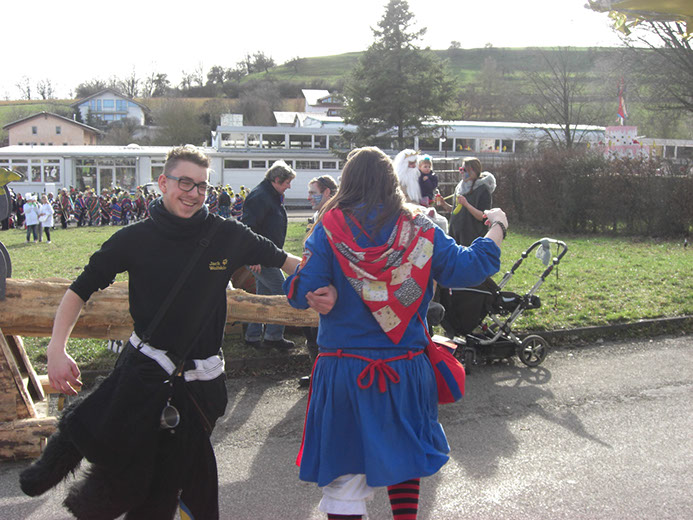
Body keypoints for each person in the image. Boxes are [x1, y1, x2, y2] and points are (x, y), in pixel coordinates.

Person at [18, 145, 336, 519]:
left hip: (202, 386)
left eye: (202, 186)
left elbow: (289, 262)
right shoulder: (135, 238)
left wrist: (329, 284)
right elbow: (79, 290)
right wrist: (56, 349)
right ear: (163, 182)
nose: (194, 193)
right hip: (145, 374)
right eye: (185, 182)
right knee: (144, 478)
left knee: (180, 481)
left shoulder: (227, 234)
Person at [284, 146, 507, 520]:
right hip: (404, 368)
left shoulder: (329, 227)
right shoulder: (421, 229)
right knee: (403, 460)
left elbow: (300, 291)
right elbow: (471, 266)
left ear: (347, 182)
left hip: (344, 371)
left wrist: (323, 289)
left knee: (343, 478)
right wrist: (497, 224)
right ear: (392, 182)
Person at [241, 160, 296, 350]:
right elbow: (248, 228)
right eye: (287, 182)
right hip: (262, 257)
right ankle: (273, 336)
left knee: (263, 297)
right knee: (282, 293)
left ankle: (253, 336)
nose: (289, 186)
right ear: (277, 179)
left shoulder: (269, 195)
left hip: (267, 255)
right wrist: (253, 257)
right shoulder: (261, 196)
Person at [300, 174, 339, 387]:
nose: (308, 197)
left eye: (313, 193)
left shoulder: (332, 216)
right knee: (311, 330)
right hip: (318, 281)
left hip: (329, 285)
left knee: (317, 329)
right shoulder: (320, 214)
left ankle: (321, 375)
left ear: (327, 193)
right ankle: (317, 372)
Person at [436, 157, 496, 247]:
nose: (461, 172)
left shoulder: (483, 190)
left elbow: (483, 217)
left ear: (474, 171)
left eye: (465, 170)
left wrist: (466, 204)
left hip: (471, 239)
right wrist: (444, 204)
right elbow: (456, 211)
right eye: (461, 169)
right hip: (455, 236)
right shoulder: (460, 188)